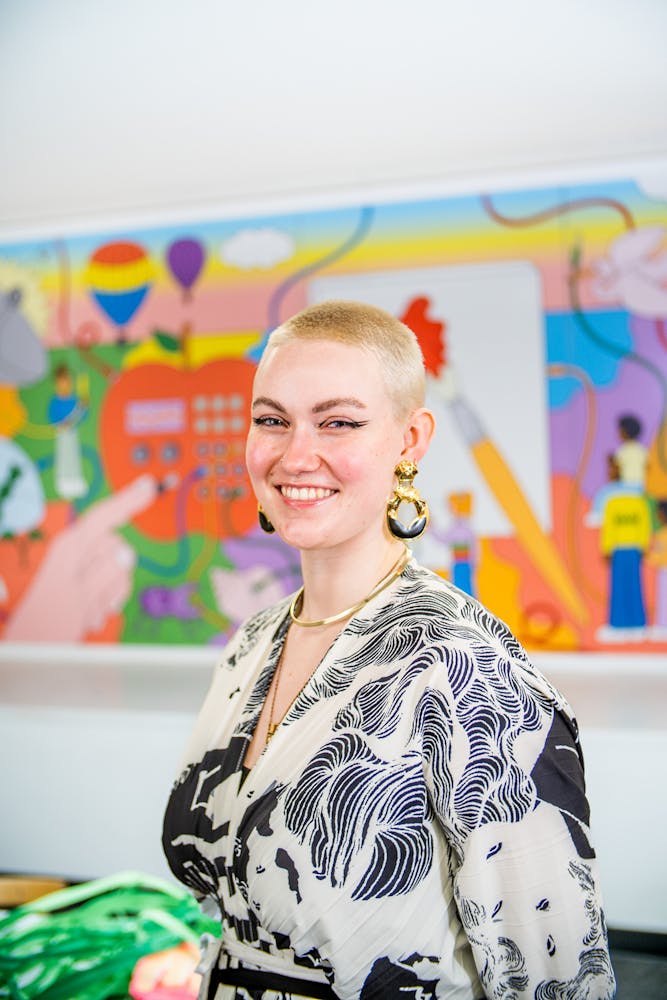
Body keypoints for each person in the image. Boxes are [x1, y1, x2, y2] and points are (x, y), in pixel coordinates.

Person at [162, 301, 615, 1000]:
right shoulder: (252, 645)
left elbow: (556, 975)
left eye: (337, 421)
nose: (292, 454)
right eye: (270, 419)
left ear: (410, 440)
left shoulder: (464, 665)